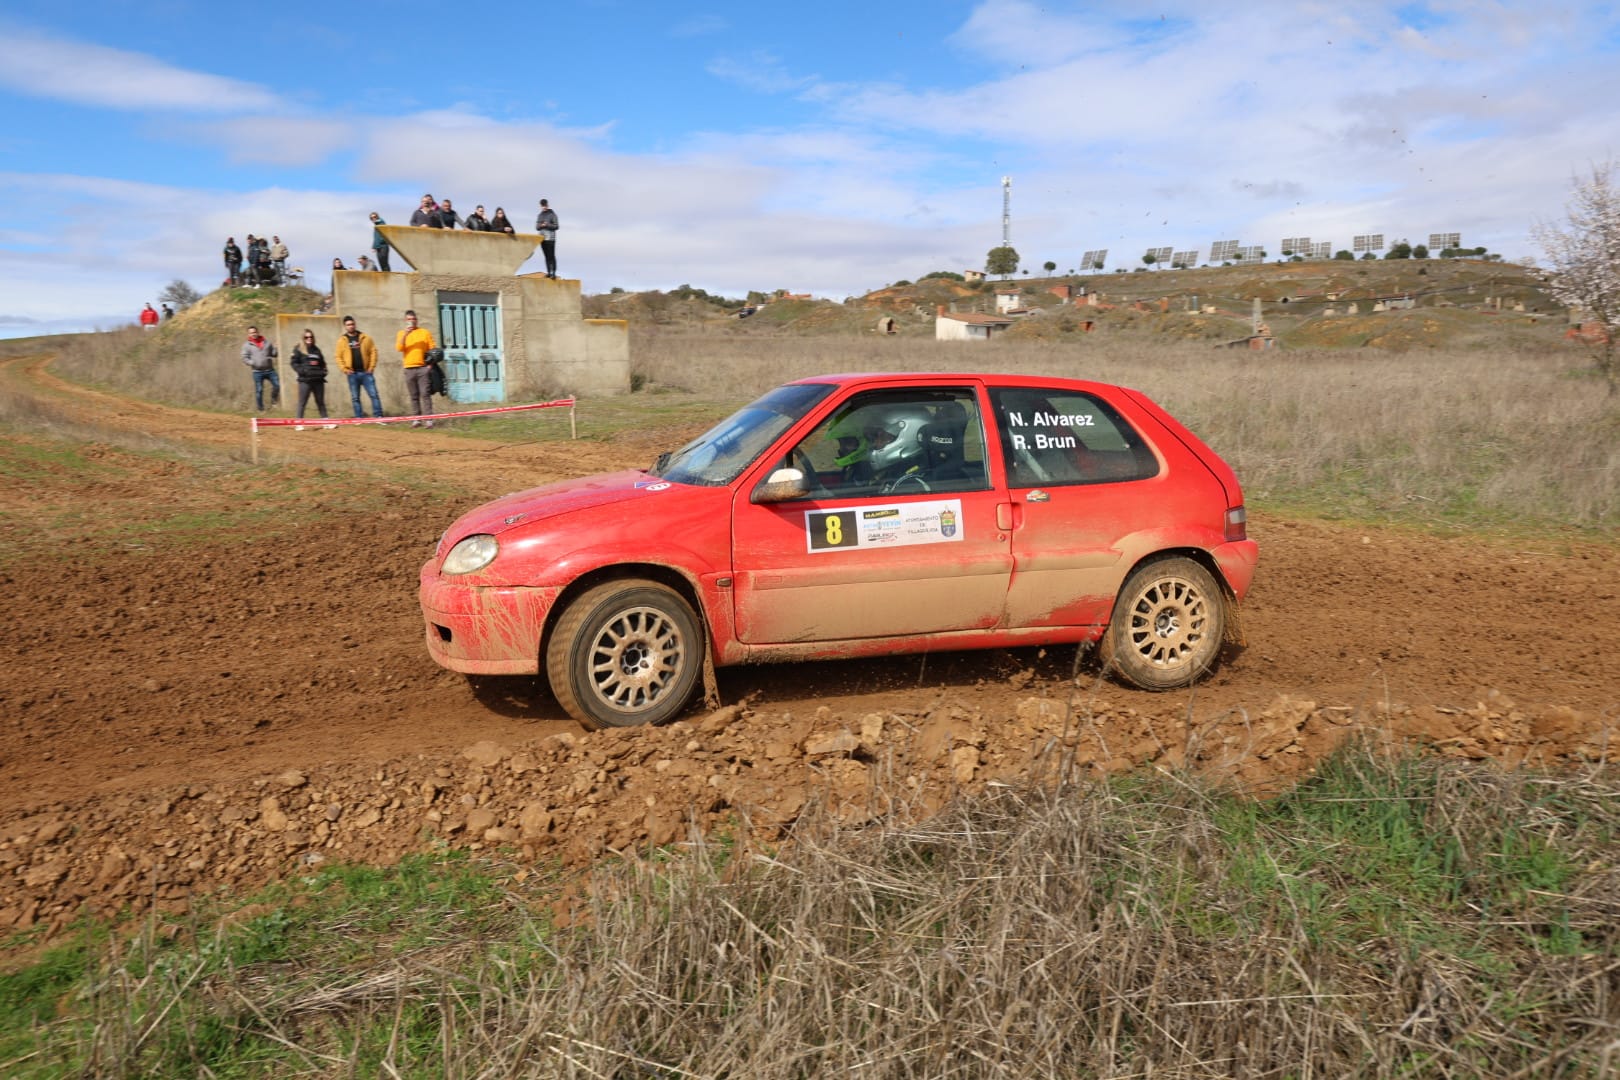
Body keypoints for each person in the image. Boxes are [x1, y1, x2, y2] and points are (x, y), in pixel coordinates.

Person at [335, 315, 383, 418]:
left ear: (355, 324)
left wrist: (371, 367)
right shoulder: (342, 340)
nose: (351, 326)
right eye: (348, 325)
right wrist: (344, 369)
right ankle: (359, 417)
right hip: (352, 374)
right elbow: (338, 357)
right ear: (345, 326)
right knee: (355, 397)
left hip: (366, 372)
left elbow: (373, 352)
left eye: (352, 324)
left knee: (374, 395)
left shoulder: (365, 337)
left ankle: (378, 416)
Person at [395, 309, 437, 426]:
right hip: (409, 368)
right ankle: (416, 419)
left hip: (422, 368)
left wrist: (430, 365)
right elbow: (399, 348)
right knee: (414, 395)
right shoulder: (401, 333)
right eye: (409, 319)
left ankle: (429, 419)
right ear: (405, 321)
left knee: (425, 393)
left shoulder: (424, 332)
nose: (411, 322)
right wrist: (406, 334)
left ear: (416, 320)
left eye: (413, 319)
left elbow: (433, 349)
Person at [289, 330, 336, 429]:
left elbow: (323, 363)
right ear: (303, 338)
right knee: (302, 402)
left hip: (318, 380)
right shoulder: (298, 349)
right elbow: (294, 363)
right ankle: (298, 423)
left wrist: (324, 372)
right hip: (305, 381)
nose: (309, 339)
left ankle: (326, 421)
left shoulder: (316, 350)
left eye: (311, 337)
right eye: (306, 337)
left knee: (320, 402)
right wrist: (302, 371)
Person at [241, 325, 280, 412]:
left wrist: (276, 347)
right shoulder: (246, 345)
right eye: (251, 333)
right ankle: (261, 409)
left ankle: (274, 402)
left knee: (277, 385)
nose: (253, 334)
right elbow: (244, 358)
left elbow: (274, 354)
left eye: (254, 332)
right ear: (248, 334)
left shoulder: (267, 342)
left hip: (270, 370)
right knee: (259, 390)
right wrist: (252, 363)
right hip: (257, 372)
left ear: (258, 332)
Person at [535, 198, 559, 277]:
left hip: (551, 239)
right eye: (542, 206)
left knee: (551, 255)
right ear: (540, 206)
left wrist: (547, 225)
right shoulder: (540, 215)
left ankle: (553, 273)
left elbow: (556, 226)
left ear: (547, 205)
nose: (544, 207)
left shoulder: (552, 214)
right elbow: (537, 227)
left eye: (545, 205)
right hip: (542, 238)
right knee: (546, 256)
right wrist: (541, 225)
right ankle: (549, 272)